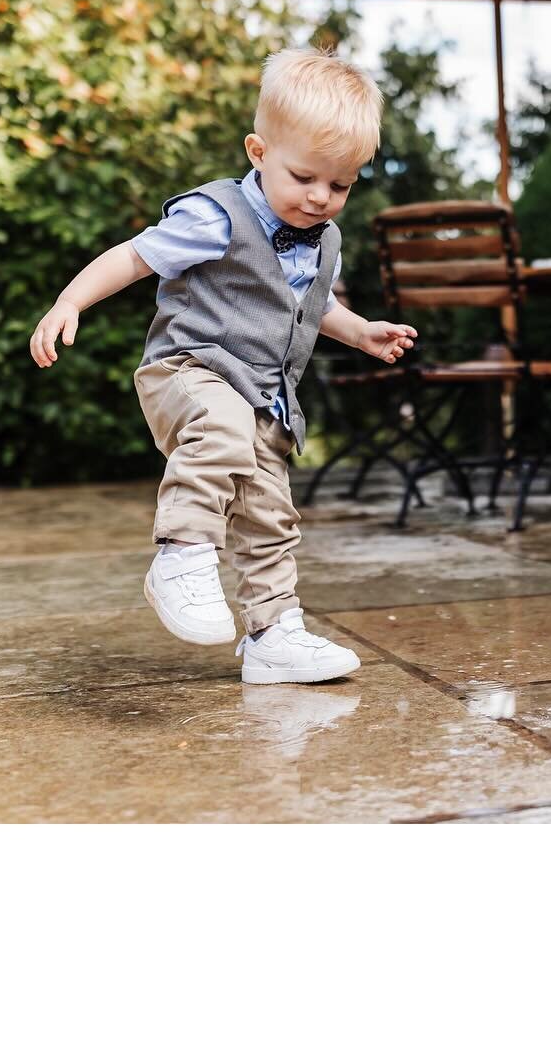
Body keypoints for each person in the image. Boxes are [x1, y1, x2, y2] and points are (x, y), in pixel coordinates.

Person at [28, 49, 416, 684]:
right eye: (304, 178)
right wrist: (69, 301)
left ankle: (273, 633)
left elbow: (313, 305)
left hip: (265, 394)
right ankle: (181, 554)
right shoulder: (213, 216)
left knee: (270, 510)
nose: (320, 198)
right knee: (223, 428)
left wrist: (361, 332)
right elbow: (133, 257)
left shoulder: (325, 242)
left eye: (340, 185)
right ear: (258, 152)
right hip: (190, 371)